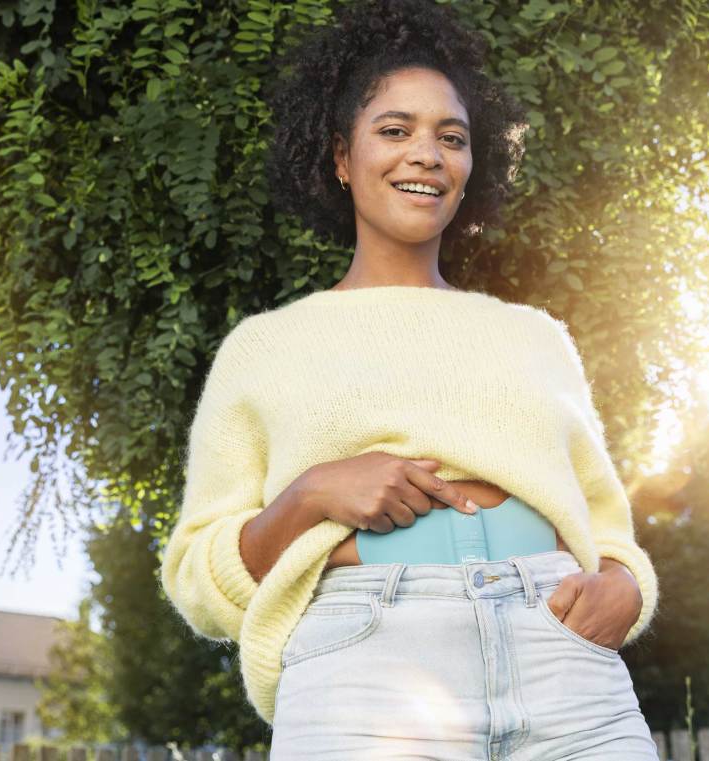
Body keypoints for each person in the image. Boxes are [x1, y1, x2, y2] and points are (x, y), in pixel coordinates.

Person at [160, 0, 661, 758]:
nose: (426, 154)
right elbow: (198, 575)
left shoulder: (537, 337)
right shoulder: (263, 348)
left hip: (562, 654)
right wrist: (311, 493)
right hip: (366, 666)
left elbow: (608, 526)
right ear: (340, 156)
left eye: (450, 137)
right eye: (394, 130)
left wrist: (624, 586)